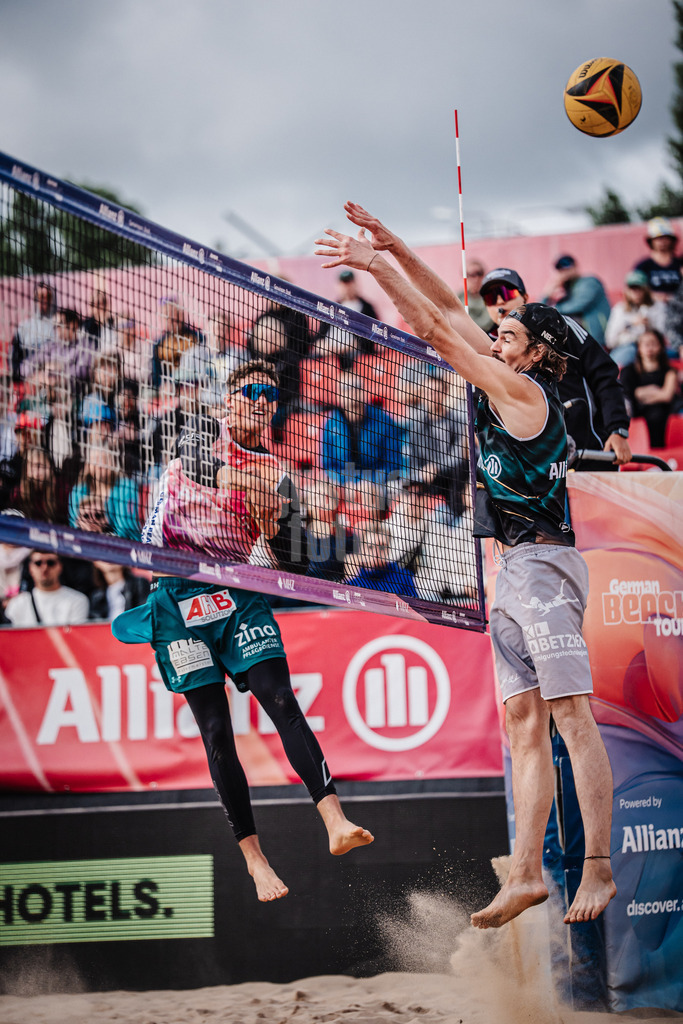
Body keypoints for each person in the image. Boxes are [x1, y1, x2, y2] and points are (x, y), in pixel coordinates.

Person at [316, 202, 616, 929]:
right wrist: (393, 245)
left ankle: (599, 868)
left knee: (570, 716)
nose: (493, 335)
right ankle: (524, 874)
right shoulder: (502, 374)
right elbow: (449, 308)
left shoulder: (521, 390)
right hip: (510, 569)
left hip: (542, 566)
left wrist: (376, 266)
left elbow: (431, 326)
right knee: (522, 724)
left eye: (506, 332)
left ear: (532, 352)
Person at [112, 360, 373, 901]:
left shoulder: (274, 473)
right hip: (175, 599)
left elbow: (298, 567)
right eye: (250, 391)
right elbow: (211, 467)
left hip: (236, 595)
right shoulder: (200, 433)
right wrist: (254, 490)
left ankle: (336, 823)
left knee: (281, 698)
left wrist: (279, 526)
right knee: (215, 730)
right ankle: (255, 860)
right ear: (226, 401)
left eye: (271, 395)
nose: (262, 401)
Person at [480, 267, 632, 470]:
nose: (500, 301)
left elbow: (604, 373)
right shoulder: (487, 345)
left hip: (585, 455)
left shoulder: (559, 326)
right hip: (531, 467)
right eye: (491, 298)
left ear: (525, 297)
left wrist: (617, 429)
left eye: (508, 293)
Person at [321, 369, 403, 484]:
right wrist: (346, 483)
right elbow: (328, 466)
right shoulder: (331, 424)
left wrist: (370, 483)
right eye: (346, 389)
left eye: (356, 387)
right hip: (344, 486)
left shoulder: (383, 421)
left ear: (364, 391)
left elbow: (393, 464)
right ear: (339, 395)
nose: (352, 393)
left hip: (379, 485)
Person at [620, 328, 679, 448]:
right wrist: (655, 391)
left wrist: (642, 393)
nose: (649, 348)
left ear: (661, 347)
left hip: (663, 416)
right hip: (636, 415)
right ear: (639, 347)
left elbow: (666, 396)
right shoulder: (629, 371)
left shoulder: (669, 371)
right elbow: (628, 395)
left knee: (657, 415)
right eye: (646, 344)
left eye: (654, 344)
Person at [542, 254, 612, 349]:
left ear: (575, 266)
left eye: (567, 267)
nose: (565, 271)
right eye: (561, 269)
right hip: (582, 338)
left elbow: (578, 305)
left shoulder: (589, 282)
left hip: (596, 336)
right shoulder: (568, 287)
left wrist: (553, 310)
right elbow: (540, 310)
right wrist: (547, 293)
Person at [4, 550, 89, 626]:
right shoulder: (17, 603)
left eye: (50, 563)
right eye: (38, 563)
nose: (44, 568)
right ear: (30, 568)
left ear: (60, 567)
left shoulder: (78, 600)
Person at [604, 270, 667, 368]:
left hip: (652, 348)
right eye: (632, 288)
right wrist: (630, 324)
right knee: (628, 353)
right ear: (627, 290)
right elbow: (610, 341)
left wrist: (649, 326)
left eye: (639, 288)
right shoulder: (619, 309)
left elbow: (664, 335)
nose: (636, 292)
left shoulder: (658, 307)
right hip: (628, 347)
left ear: (646, 289)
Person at [312, 269, 377, 357]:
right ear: (338, 286)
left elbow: (369, 339)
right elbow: (320, 335)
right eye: (344, 284)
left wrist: (344, 348)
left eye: (349, 283)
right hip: (328, 352)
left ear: (355, 284)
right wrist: (322, 346)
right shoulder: (331, 307)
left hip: (352, 354)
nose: (347, 287)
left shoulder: (367, 308)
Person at [345, 520, 417, 597]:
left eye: (382, 547)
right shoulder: (351, 585)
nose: (376, 553)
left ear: (388, 549)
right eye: (370, 547)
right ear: (361, 550)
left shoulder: (404, 578)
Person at [634, 217, 683, 302]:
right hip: (651, 309)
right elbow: (633, 290)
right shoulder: (643, 266)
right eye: (658, 238)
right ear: (651, 241)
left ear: (672, 240)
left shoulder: (680, 264)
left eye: (665, 237)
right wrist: (654, 296)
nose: (662, 241)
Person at [457, 259, 495, 333]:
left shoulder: (492, 296)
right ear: (465, 277)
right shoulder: (458, 298)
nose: (476, 279)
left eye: (479, 273)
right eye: (471, 274)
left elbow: (486, 324)